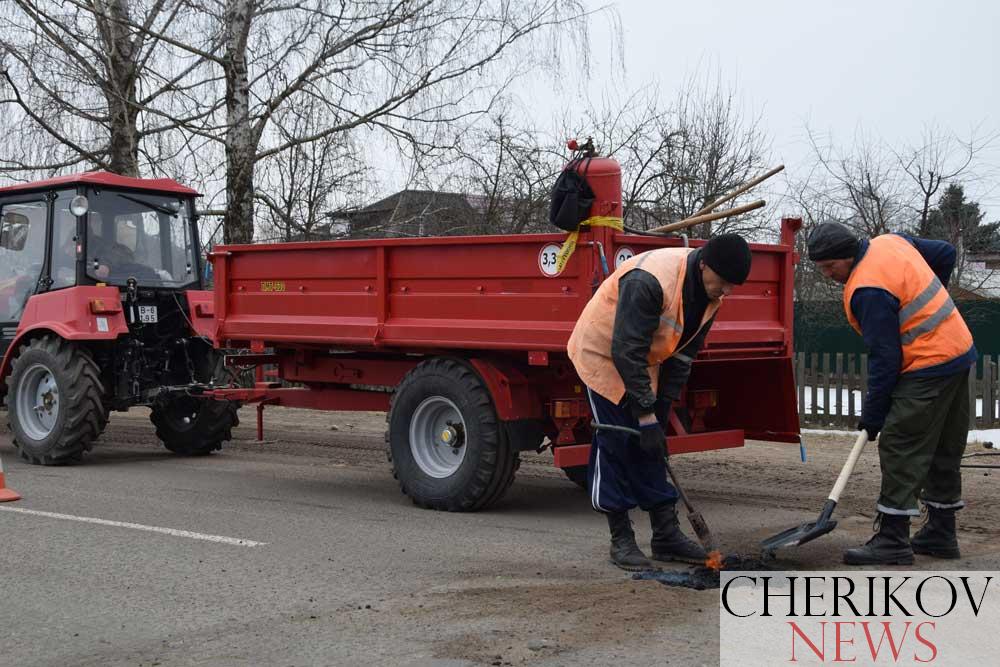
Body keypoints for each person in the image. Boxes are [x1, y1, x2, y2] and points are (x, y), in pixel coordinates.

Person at [567, 234, 753, 570]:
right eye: (724, 282)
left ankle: (665, 534)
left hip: (642, 361)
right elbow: (625, 350)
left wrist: (660, 412)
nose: (727, 291)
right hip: (603, 354)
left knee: (651, 446)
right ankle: (621, 538)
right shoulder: (649, 280)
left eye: (732, 286)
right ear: (706, 266)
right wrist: (644, 414)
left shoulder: (711, 294)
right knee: (616, 440)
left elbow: (683, 358)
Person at [807, 221, 975, 565]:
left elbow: (886, 358)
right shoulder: (891, 242)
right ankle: (942, 534)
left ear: (846, 255)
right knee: (942, 444)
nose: (826, 274)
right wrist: (930, 300)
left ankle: (893, 539)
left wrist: (873, 415)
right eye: (820, 268)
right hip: (959, 350)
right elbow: (945, 253)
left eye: (829, 266)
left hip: (927, 364)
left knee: (901, 443)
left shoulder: (868, 289)